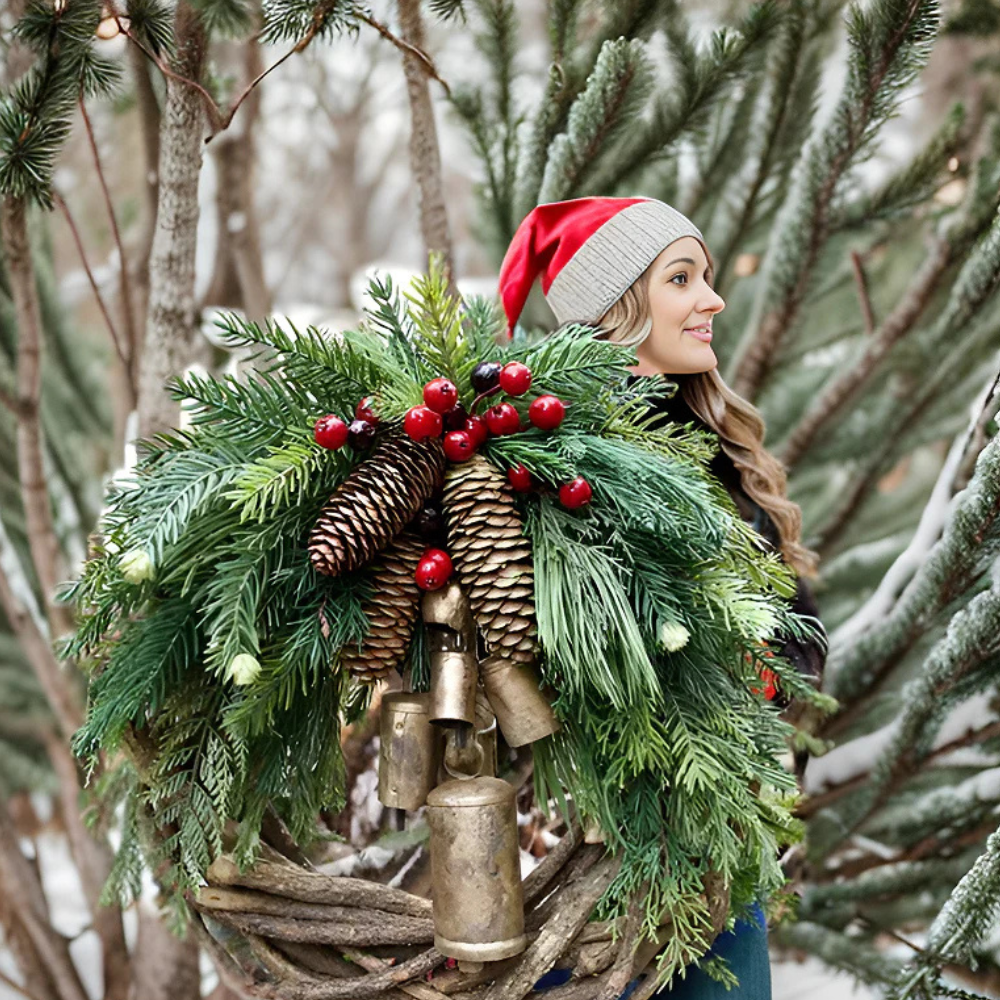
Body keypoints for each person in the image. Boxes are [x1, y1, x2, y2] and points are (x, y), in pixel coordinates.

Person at [497, 197, 829, 999]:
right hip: (584, 845)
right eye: (682, 278)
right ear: (617, 304)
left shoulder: (716, 449)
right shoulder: (556, 459)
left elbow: (796, 627)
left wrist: (771, 676)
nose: (713, 299)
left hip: (717, 841)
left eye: (705, 276)